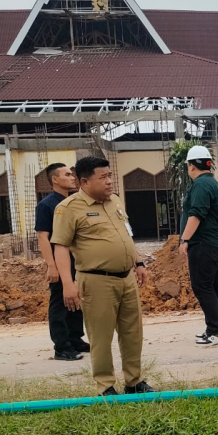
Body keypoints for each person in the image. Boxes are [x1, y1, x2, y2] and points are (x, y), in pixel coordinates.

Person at [51, 156, 156, 396]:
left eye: (110, 176)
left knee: (132, 332)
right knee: (101, 336)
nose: (110, 182)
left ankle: (134, 381)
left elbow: (126, 235)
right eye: (104, 177)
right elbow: (61, 247)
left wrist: (138, 262)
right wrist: (67, 283)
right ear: (85, 182)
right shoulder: (68, 208)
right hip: (96, 280)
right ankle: (105, 386)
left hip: (126, 278)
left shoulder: (115, 201)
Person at [35, 162, 89, 361]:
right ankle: (62, 346)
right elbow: (43, 236)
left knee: (76, 300)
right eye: (67, 174)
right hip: (59, 261)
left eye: (72, 174)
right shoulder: (47, 205)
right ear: (55, 179)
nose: (72, 177)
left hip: (77, 260)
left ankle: (76, 339)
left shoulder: (75, 202)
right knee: (60, 302)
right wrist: (51, 265)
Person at [177, 146, 218, 345]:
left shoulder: (200, 185)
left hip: (204, 243)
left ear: (191, 166)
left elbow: (197, 214)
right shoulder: (214, 184)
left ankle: (215, 331)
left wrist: (185, 239)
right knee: (214, 288)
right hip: (215, 243)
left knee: (203, 287)